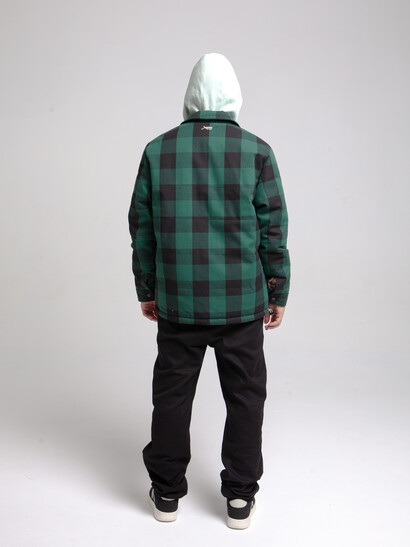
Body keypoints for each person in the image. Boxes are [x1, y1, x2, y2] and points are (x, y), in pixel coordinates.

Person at [128, 52, 291, 529]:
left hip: (178, 303)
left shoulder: (157, 150)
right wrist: (277, 291)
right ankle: (240, 499)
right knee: (246, 398)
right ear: (233, 96)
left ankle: (166, 495)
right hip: (241, 306)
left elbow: (142, 228)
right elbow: (273, 230)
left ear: (190, 96)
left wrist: (148, 288)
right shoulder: (257, 151)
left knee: (171, 397)